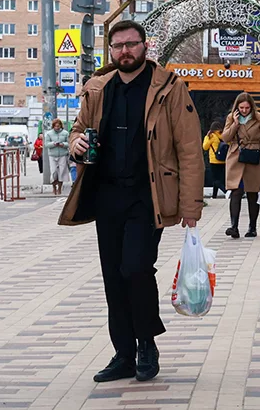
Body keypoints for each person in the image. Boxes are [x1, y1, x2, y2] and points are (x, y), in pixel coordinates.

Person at [60, 20, 203, 384]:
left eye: (131, 44)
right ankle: (123, 353)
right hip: (106, 195)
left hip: (147, 196)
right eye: (118, 45)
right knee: (113, 276)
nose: (125, 51)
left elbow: (189, 149)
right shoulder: (98, 88)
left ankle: (147, 344)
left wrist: (191, 207)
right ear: (110, 50)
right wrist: (75, 143)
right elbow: (79, 129)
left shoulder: (169, 88)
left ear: (145, 46)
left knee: (135, 269)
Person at [221, 93, 260, 238]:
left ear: (251, 106)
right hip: (236, 157)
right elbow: (225, 138)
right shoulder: (231, 117)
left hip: (253, 157)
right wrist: (235, 123)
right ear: (237, 107)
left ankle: (252, 227)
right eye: (241, 108)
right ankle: (234, 227)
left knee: (253, 193)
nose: (244, 110)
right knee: (236, 191)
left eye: (247, 107)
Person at [44, 119, 70, 196]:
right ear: (53, 126)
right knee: (54, 171)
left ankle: (59, 188)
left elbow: (69, 143)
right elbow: (46, 144)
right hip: (52, 155)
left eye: (58, 126)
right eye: (55, 126)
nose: (57, 127)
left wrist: (63, 144)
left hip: (63, 154)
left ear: (61, 126)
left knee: (62, 171)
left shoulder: (65, 133)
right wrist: (53, 144)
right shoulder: (49, 133)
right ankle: (54, 187)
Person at [202, 121, 227, 199]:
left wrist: (207, 137)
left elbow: (205, 147)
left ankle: (227, 192)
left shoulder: (211, 136)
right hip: (223, 160)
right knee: (221, 178)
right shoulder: (223, 135)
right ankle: (214, 195)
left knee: (215, 179)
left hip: (214, 161)